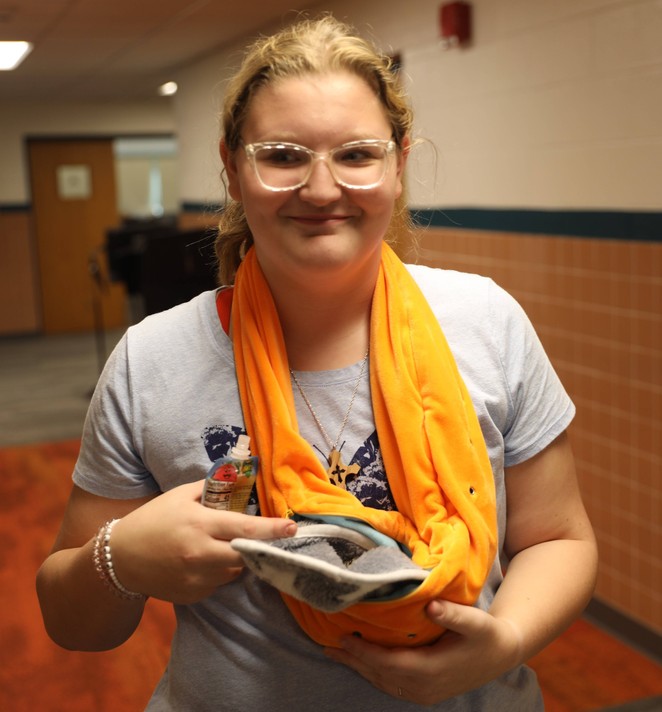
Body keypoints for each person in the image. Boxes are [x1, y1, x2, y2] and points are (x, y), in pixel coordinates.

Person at [36, 14, 598, 711]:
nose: (322, 189)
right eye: (282, 155)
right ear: (234, 170)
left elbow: (561, 539)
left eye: (357, 155)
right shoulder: (151, 360)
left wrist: (505, 640)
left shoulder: (487, 323)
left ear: (397, 164)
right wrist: (122, 557)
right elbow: (71, 622)